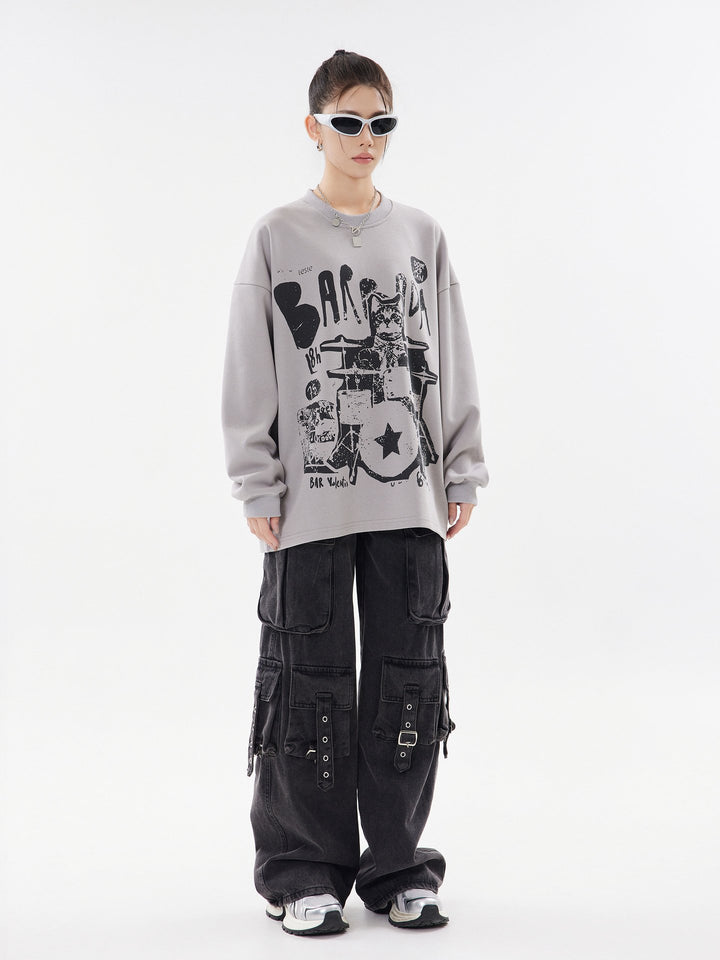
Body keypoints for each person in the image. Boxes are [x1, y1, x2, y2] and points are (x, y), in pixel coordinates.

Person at [220, 49, 490, 936]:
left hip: (409, 498)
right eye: (348, 122)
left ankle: (399, 867)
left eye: (381, 123)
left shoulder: (421, 233)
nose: (365, 138)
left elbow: (449, 352)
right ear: (315, 127)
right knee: (308, 683)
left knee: (410, 685)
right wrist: (256, 479)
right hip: (308, 503)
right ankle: (302, 871)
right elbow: (250, 362)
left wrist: (462, 464)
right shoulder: (276, 235)